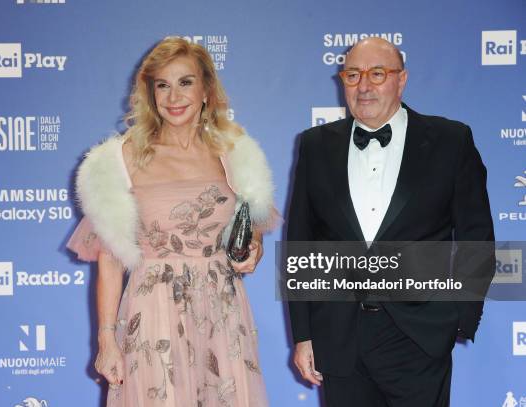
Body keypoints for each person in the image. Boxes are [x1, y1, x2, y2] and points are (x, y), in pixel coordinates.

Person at [67, 37, 278, 407]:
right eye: (162, 85)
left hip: (222, 312)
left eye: (185, 82)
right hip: (153, 312)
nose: (173, 97)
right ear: (150, 93)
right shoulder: (119, 159)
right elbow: (111, 258)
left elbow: (251, 222)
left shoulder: (234, 152)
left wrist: (254, 247)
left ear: (206, 89)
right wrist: (107, 339)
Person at [287, 37, 494, 406]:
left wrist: (460, 317)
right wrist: (303, 334)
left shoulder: (451, 140)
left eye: (377, 73)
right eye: (352, 75)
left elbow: (476, 235)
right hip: (339, 336)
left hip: (418, 336)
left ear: (402, 80)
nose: (364, 85)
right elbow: (300, 243)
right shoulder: (315, 145)